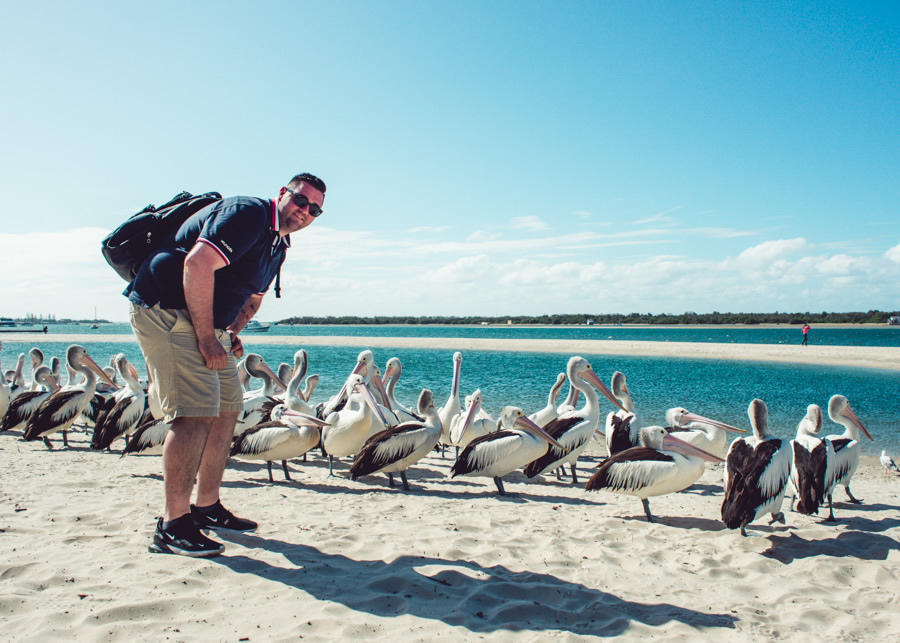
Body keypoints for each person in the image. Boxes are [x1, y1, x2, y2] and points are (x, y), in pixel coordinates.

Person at [124, 173, 326, 557]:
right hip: (167, 311)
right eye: (301, 200)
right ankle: (172, 525)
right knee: (194, 414)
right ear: (282, 193)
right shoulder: (247, 213)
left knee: (228, 409)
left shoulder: (277, 245)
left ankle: (206, 507)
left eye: (315, 209)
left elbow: (253, 298)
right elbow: (197, 266)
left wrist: (231, 330)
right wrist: (205, 337)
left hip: (205, 322)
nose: (305, 211)